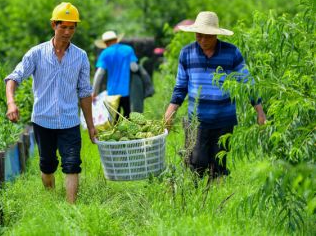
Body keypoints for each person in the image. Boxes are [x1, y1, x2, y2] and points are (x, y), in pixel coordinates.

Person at [5, 2, 97, 203]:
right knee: (47, 166)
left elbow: (84, 93)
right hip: (43, 120)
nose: (67, 32)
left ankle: (71, 208)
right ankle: (51, 199)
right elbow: (14, 77)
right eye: (63, 27)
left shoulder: (80, 57)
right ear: (53, 26)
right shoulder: (36, 53)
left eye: (71, 27)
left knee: (72, 164)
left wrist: (90, 126)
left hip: (69, 121)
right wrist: (11, 102)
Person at [163, 11, 266, 178]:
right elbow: (181, 88)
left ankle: (216, 197)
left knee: (218, 164)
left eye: (208, 36)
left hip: (223, 119)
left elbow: (247, 83)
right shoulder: (187, 53)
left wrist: (260, 112)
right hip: (197, 119)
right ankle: (195, 197)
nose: (203, 40)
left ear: (216, 35)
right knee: (196, 162)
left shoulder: (231, 52)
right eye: (199, 35)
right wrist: (170, 113)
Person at [92, 31, 138, 118]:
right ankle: (127, 131)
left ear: (105, 43)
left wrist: (94, 92)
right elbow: (134, 68)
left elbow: (99, 74)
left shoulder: (105, 53)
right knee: (128, 116)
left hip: (112, 92)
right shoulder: (128, 49)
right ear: (117, 39)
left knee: (114, 118)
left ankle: (116, 131)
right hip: (126, 91)